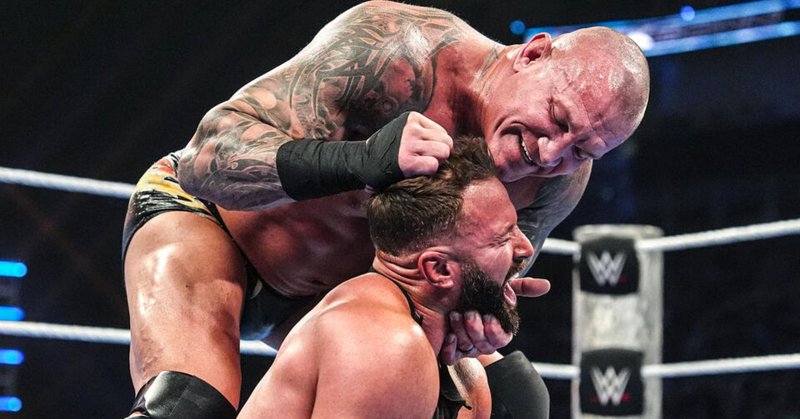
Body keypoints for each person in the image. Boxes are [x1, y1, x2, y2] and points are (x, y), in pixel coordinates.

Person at [122, 1, 650, 417]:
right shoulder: (400, 52)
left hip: (343, 294)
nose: (553, 153)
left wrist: (483, 312)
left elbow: (481, 283)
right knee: (188, 405)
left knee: (514, 397)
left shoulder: (558, 182)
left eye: (584, 150)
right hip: (216, 228)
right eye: (557, 118)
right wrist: (359, 160)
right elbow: (206, 159)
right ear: (532, 54)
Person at [238, 136, 549, 419]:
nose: (525, 247)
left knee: (516, 393)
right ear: (439, 270)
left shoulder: (462, 371)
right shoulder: (386, 346)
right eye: (502, 237)